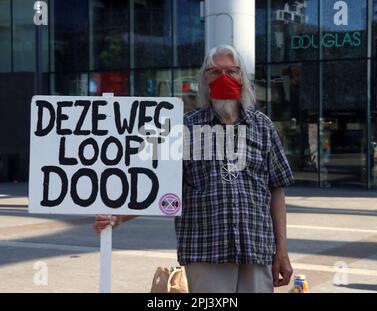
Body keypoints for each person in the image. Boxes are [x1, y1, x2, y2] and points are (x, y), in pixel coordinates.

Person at [94, 44, 295, 293]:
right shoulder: (183, 128)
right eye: (215, 72)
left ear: (242, 77)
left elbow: (276, 189)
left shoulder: (262, 126)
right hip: (205, 251)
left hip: (256, 249)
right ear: (205, 80)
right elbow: (158, 184)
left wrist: (282, 252)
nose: (224, 78)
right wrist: (118, 216)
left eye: (231, 72)